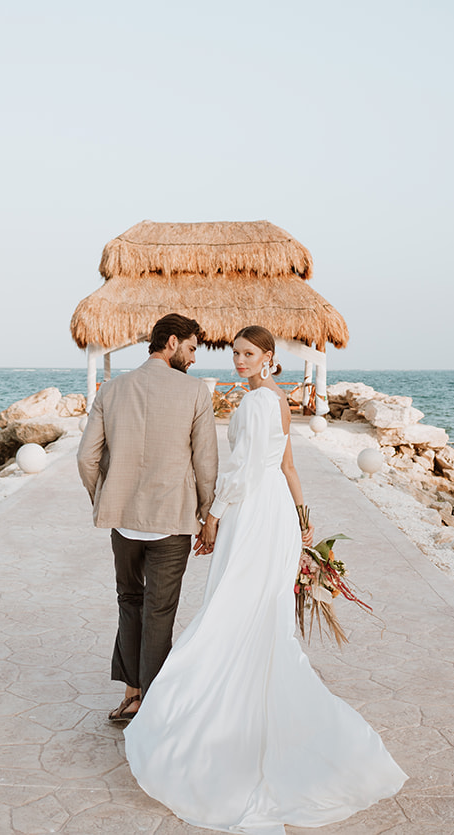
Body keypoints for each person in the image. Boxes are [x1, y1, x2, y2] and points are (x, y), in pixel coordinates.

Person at [125, 325, 406, 834]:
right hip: (274, 511)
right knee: (256, 613)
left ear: (269, 357)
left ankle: (207, 715)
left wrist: (212, 516)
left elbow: (246, 470)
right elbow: (289, 466)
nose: (239, 361)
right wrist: (301, 517)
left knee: (229, 610)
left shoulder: (256, 402)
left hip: (252, 513)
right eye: (235, 354)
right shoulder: (277, 400)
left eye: (248, 354)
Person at [77, 312, 219, 724]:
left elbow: (87, 457)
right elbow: (205, 461)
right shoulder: (195, 392)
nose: (193, 358)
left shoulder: (113, 388)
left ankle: (131, 692)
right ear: (172, 342)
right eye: (191, 348)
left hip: (123, 520)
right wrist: (207, 513)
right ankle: (149, 703)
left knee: (130, 600)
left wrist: (105, 498)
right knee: (159, 609)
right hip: (171, 520)